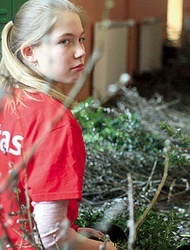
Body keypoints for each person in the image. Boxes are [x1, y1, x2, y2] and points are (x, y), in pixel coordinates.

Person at [0, 0, 117, 249]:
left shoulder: (7, 98)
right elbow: (52, 239)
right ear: (30, 51)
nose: (80, 52)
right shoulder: (56, 123)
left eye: (81, 39)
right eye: (65, 41)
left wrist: (70, 228)